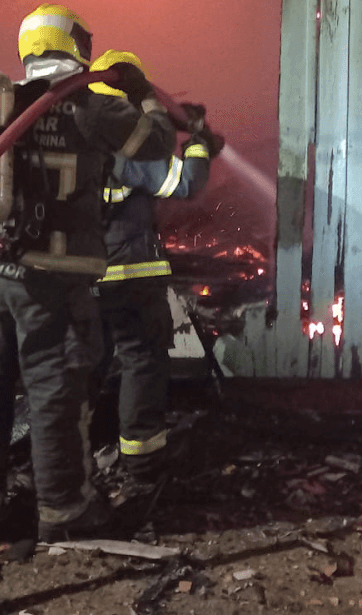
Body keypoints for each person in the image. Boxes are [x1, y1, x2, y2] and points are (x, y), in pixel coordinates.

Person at [0, 5, 176, 543]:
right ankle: (64, 510)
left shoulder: (2, 103)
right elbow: (158, 144)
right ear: (77, 45)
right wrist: (143, 92)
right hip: (52, 282)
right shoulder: (92, 107)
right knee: (56, 395)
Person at [86, 50, 224, 483]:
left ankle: (72, 456)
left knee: (84, 367)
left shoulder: (78, 141)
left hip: (80, 278)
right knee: (142, 361)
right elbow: (187, 182)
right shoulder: (129, 149)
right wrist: (198, 143)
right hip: (131, 275)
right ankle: (142, 462)